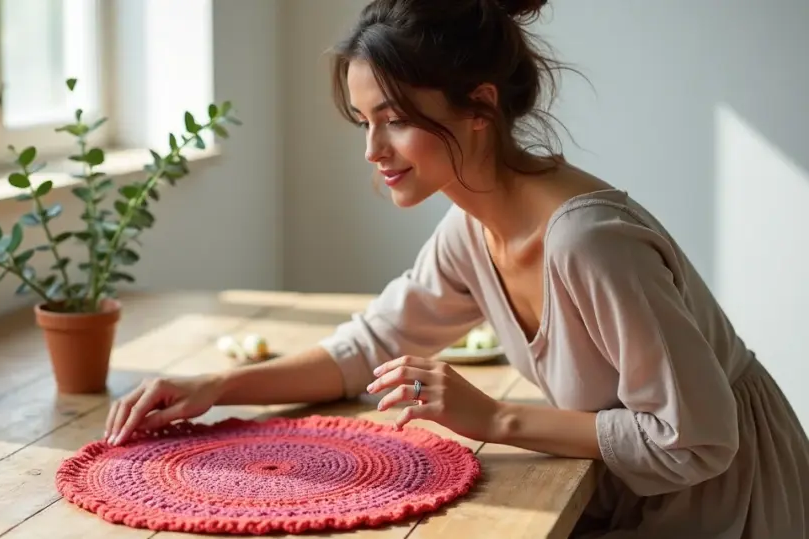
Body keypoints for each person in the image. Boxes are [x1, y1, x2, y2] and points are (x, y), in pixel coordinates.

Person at [104, 0, 809, 536]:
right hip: (633, 489)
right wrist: (216, 386)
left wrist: (495, 416)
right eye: (363, 120)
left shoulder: (590, 244)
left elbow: (698, 440)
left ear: (480, 105)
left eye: (396, 117)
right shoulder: (470, 229)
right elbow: (366, 349)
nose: (373, 148)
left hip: (735, 500)